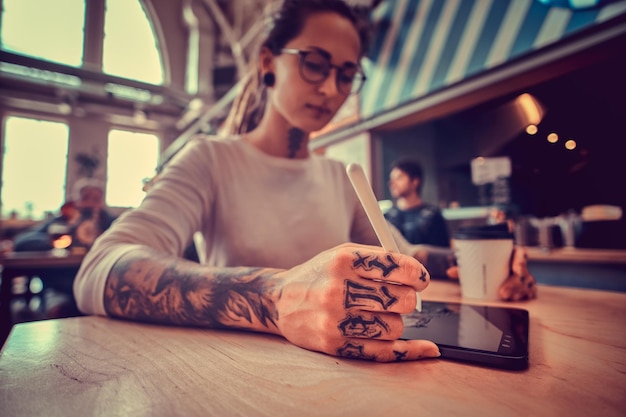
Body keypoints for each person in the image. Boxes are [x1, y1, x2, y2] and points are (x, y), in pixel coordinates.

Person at [74, 0, 440, 363]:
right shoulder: (211, 160)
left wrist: (478, 258)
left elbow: (405, 255)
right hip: (240, 374)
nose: (331, 89)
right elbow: (101, 268)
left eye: (346, 75)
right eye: (314, 64)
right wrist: (275, 296)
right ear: (268, 62)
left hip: (343, 377)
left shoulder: (340, 178)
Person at [385, 158, 451, 247]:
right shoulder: (387, 217)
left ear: (415, 181)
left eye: (399, 178)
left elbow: (443, 254)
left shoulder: (432, 215)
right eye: (392, 179)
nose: (392, 183)